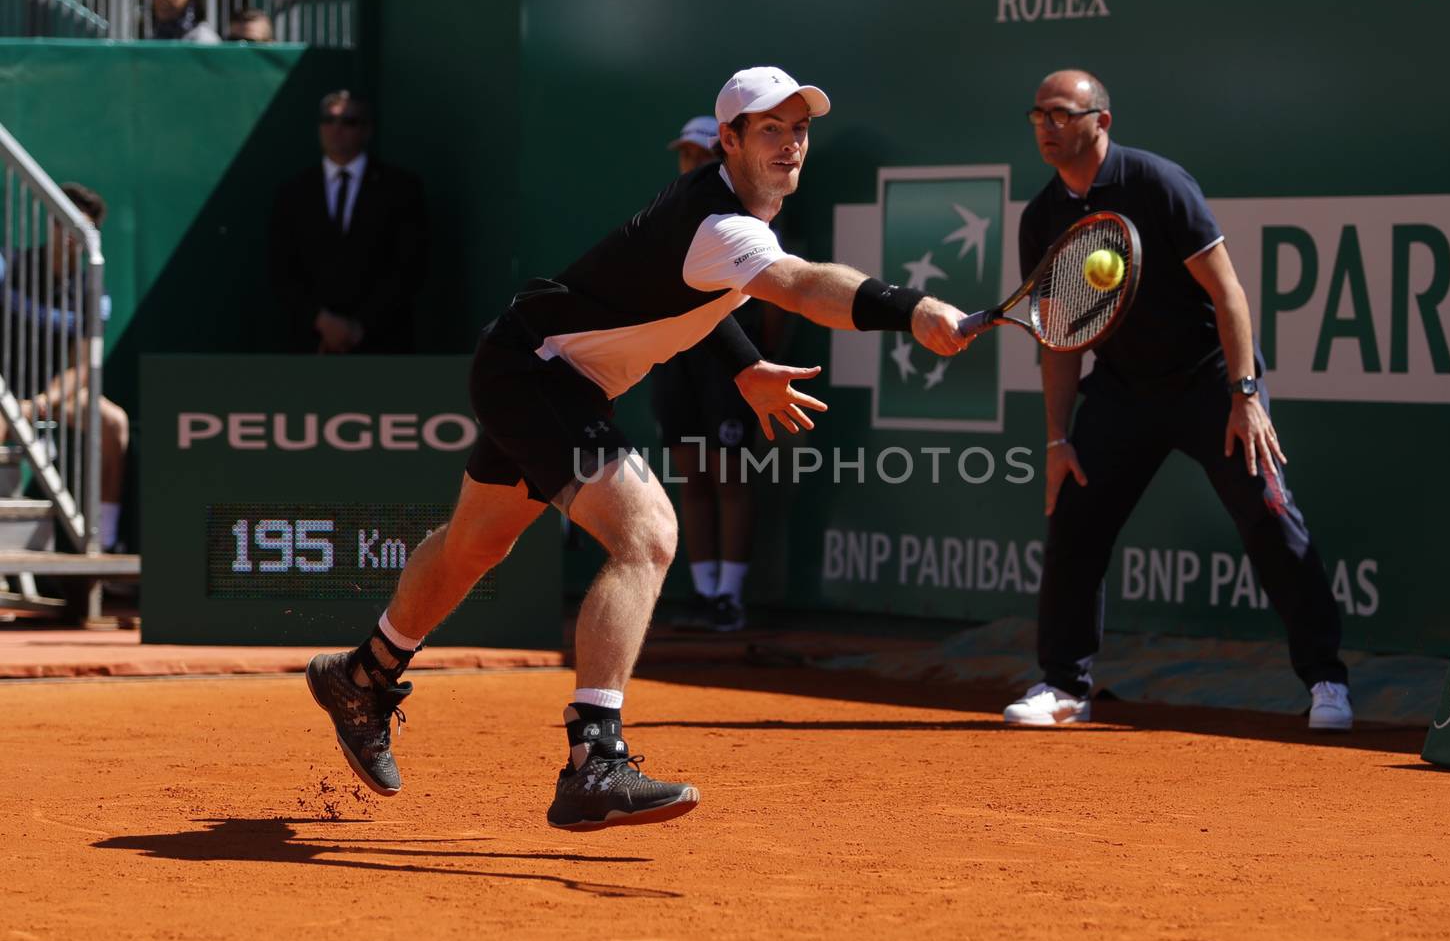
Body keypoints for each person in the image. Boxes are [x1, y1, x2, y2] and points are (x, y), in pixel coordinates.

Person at [306, 66, 969, 830]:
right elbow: (802, 283)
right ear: (729, 139)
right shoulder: (724, 225)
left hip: (535, 364)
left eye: (800, 129)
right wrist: (911, 307)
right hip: (541, 372)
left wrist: (745, 363)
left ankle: (363, 674)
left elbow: (702, 291)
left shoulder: (728, 216)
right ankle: (595, 756)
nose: (790, 144)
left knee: (472, 545)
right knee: (647, 535)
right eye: (770, 129)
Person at [1000, 70, 1353, 732]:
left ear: (1100, 120)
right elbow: (1063, 339)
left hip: (1208, 379)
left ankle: (1327, 679)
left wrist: (1246, 394)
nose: (1046, 127)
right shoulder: (1042, 217)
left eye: (1061, 113)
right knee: (1076, 518)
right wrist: (1057, 438)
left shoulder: (1157, 184)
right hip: (1123, 389)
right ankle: (1064, 686)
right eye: (1037, 115)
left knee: (1271, 516)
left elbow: (1229, 295)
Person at [651, 115, 783, 631]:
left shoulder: (750, 212)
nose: (691, 163)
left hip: (732, 361)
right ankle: (705, 594)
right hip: (677, 359)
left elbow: (778, 298)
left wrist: (759, 359)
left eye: (700, 154)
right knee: (693, 476)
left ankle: (731, 596)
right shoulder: (667, 211)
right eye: (685, 154)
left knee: (730, 477)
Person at [0, 183, 131, 552]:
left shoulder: (92, 289)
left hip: (53, 397)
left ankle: (103, 543)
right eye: (64, 223)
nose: (70, 234)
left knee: (114, 423)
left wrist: (40, 403)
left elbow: (84, 366)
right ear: (51, 224)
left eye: (82, 229)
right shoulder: (10, 265)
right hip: (4, 394)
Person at [268, 91, 428, 354]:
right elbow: (282, 271)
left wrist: (359, 326)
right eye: (329, 120)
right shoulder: (293, 192)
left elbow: (410, 267)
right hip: (310, 345)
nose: (337, 129)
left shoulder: (401, 189)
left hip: (382, 344)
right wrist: (322, 322)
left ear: (367, 130)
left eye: (349, 121)